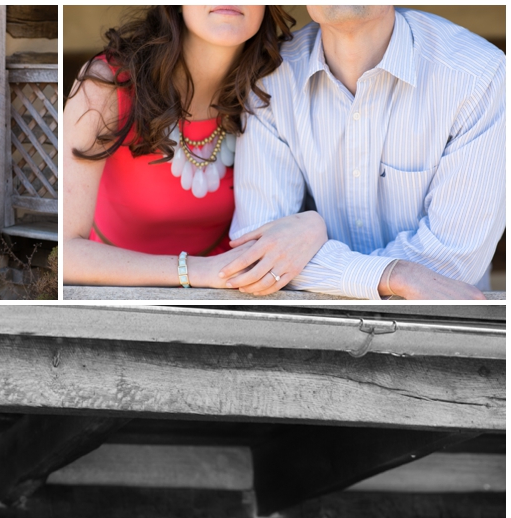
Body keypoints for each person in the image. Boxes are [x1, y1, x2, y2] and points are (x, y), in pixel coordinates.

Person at [223, 5, 505, 300]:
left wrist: (327, 268)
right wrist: (395, 275)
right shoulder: (270, 78)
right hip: (313, 323)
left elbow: (454, 264)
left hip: (442, 328)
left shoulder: (477, 76)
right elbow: (259, 255)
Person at [63, 5, 327, 293]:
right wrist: (198, 271)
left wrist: (311, 226)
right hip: (120, 295)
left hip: (235, 291)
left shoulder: (274, 86)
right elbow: (65, 252)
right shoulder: (107, 84)